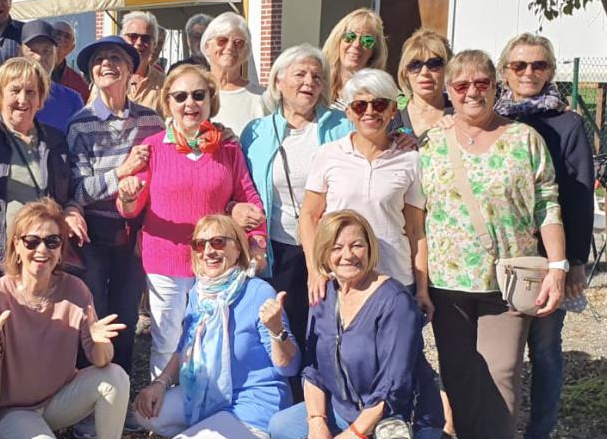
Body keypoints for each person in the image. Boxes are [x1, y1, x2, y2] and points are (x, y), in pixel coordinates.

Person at [268, 211, 492, 439]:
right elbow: (314, 370)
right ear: (324, 254)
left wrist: (354, 436)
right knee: (282, 428)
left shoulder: (395, 301)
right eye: (336, 247)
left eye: (356, 245)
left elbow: (395, 388)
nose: (347, 255)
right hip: (347, 411)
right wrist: (318, 423)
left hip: (404, 421)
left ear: (370, 249)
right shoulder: (324, 296)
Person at [420, 49, 566, 439]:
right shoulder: (429, 144)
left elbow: (547, 204)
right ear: (449, 92)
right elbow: (416, 217)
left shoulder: (523, 139)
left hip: (509, 281)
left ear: (494, 85)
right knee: (461, 377)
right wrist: (421, 283)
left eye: (480, 82)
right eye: (461, 86)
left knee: (502, 374)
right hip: (447, 281)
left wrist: (559, 267)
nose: (471, 92)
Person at [0, 57, 88, 439]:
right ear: (0, 95)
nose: (22, 99)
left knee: (37, 338)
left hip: (41, 261)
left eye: (31, 92)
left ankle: (32, 415)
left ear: (42, 98)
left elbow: (67, 195)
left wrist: (73, 210)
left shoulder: (55, 141)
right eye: (15, 91)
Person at [0, 198, 143, 439]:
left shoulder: (76, 290)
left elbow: (101, 361)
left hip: (54, 401)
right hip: (7, 408)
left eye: (52, 241)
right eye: (32, 241)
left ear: (62, 248)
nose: (42, 250)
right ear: (16, 247)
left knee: (115, 376)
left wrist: (100, 341)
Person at [118, 63, 266, 381]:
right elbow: (131, 209)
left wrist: (257, 241)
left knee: (212, 340)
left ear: (211, 100)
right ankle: (163, 406)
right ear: (168, 102)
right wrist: (128, 196)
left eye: (199, 95)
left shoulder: (227, 148)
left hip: (215, 261)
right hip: (165, 261)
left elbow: (250, 200)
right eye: (181, 96)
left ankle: (205, 408)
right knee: (167, 342)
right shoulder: (152, 148)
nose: (190, 104)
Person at [133, 214, 298, 439]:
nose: (209, 251)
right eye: (200, 244)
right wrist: (160, 383)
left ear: (237, 249)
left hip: (254, 403)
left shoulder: (258, 292)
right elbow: (186, 346)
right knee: (145, 414)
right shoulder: (201, 292)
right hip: (209, 393)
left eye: (219, 242)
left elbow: (290, 367)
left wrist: (277, 329)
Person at [494, 34, 593, 439]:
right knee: (501, 355)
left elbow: (578, 196)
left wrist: (573, 261)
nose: (528, 73)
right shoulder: (490, 119)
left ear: (551, 70)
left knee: (546, 350)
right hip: (501, 258)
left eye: (537, 65)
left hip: (549, 261)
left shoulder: (568, 125)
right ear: (504, 72)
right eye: (518, 66)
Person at [240, 44, 352, 351]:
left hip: (331, 246)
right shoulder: (256, 132)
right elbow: (240, 185)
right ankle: (291, 396)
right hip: (280, 247)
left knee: (330, 329)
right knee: (285, 329)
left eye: (317, 76)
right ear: (278, 81)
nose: (309, 82)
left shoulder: (343, 126)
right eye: (300, 74)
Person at [67, 35, 162, 391]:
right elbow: (77, 190)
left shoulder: (152, 122)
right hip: (91, 236)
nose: (107, 63)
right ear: (91, 72)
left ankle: (118, 394)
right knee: (94, 315)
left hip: (136, 236)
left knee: (124, 317)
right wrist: (120, 173)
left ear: (130, 70)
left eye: (116, 58)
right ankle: (88, 395)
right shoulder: (80, 124)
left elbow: (161, 177)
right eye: (99, 59)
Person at [300, 69, 428, 317]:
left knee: (396, 353)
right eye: (360, 105)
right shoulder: (329, 155)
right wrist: (315, 270)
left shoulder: (410, 160)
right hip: (340, 276)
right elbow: (309, 216)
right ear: (349, 113)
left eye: (379, 104)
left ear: (392, 110)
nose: (370, 111)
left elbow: (415, 230)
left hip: (394, 277)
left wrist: (422, 289)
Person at [199, 12, 266, 132]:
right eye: (222, 40)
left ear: (246, 52)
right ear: (207, 47)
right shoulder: (192, 93)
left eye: (238, 42)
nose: (230, 47)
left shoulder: (261, 97)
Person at [20, 19, 84, 132]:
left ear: (55, 55)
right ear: (20, 53)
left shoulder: (72, 100)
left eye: (46, 51)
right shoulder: (6, 96)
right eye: (32, 51)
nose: (39, 57)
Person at [389, 29, 453, 140]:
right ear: (405, 73)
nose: (424, 72)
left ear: (447, 69)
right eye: (415, 65)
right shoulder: (391, 119)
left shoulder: (460, 116)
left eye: (434, 64)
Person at [321, 8, 388, 108]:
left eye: (367, 40)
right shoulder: (318, 86)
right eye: (350, 36)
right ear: (337, 41)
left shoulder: (381, 95)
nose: (356, 45)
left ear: (374, 51)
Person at [117, 11, 165, 110]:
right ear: (122, 40)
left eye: (146, 38)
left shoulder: (164, 85)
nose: (139, 42)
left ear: (154, 44)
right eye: (133, 36)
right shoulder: (106, 79)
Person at [51, 20, 90, 101]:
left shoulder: (79, 83)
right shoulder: (30, 72)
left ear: (72, 48)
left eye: (67, 36)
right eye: (57, 33)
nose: (61, 38)